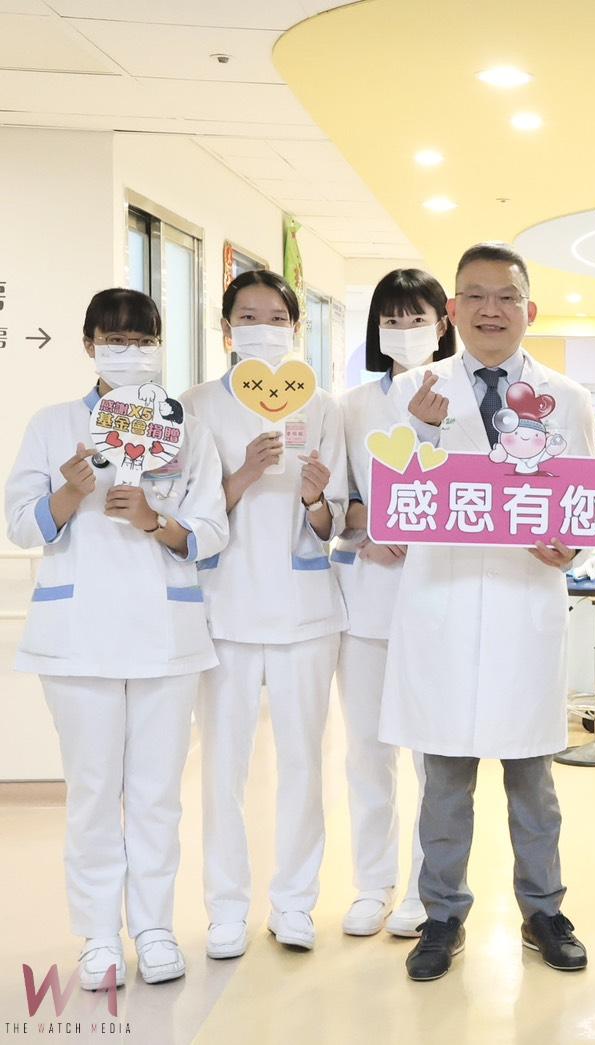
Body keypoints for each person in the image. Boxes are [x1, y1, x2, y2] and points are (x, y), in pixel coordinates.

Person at [380, 243, 595, 982]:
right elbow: (391, 511)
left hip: (524, 605)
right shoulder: (412, 392)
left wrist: (571, 547)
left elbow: (584, 501)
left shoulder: (567, 398)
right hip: (441, 607)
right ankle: (442, 915)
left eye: (506, 296)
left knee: (532, 782)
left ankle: (543, 910)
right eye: (474, 295)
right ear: (452, 310)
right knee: (444, 783)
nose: (491, 310)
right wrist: (420, 435)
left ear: (530, 309)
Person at [6, 289, 228, 989]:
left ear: (159, 347)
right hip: (79, 639)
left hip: (165, 635)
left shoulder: (188, 430)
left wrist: (153, 520)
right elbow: (21, 525)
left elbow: (212, 532)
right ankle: (99, 934)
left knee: (158, 793)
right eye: (115, 339)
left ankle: (155, 927)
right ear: (89, 345)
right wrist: (70, 494)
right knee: (94, 792)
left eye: (142, 339)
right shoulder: (53, 424)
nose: (129, 351)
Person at [184, 270, 348, 959]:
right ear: (226, 330)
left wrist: (313, 499)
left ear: (295, 329)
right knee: (222, 768)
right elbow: (186, 516)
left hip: (304, 613)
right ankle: (225, 908)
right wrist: (246, 473)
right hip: (223, 612)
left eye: (276, 317)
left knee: (303, 764)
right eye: (248, 317)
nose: (263, 327)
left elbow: (333, 522)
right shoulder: (194, 406)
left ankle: (294, 902)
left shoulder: (323, 408)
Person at [330, 269, 456, 939]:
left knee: (434, 759)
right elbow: (342, 500)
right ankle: (371, 883)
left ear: (443, 323)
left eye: (417, 319)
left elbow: (478, 492)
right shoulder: (350, 406)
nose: (404, 331)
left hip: (439, 596)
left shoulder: (469, 394)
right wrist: (371, 527)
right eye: (391, 320)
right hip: (369, 597)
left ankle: (425, 888)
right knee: (367, 753)